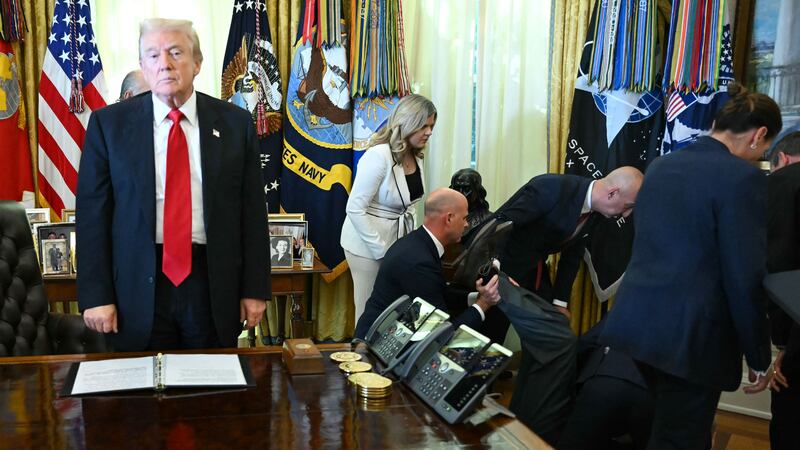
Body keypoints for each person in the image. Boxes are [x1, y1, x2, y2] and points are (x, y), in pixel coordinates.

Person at [600, 84, 782, 448]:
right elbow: (744, 275)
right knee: (680, 437)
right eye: (766, 146)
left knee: (661, 430)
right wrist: (759, 357)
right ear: (759, 134)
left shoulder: (661, 166)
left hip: (638, 328)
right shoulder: (743, 179)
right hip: (692, 339)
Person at [76, 18, 270, 352]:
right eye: (152, 55)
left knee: (210, 393)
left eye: (175, 52)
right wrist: (96, 295)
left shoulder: (236, 124)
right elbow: (93, 216)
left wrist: (254, 289)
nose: (163, 64)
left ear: (197, 63)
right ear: (142, 66)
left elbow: (252, 214)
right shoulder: (109, 126)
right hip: (135, 286)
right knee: (141, 396)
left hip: (211, 282)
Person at [354, 188, 500, 339]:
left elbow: (438, 291)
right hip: (374, 348)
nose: (466, 225)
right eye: (464, 218)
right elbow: (443, 335)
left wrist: (476, 296)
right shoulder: (419, 262)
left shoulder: (418, 243)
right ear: (449, 218)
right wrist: (484, 303)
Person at [341, 94, 437, 325]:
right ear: (407, 122)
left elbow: (408, 206)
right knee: (368, 313)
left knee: (392, 310)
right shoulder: (378, 155)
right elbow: (354, 208)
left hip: (397, 243)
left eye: (432, 126)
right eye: (424, 125)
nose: (429, 132)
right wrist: (381, 251)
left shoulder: (416, 155)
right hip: (366, 246)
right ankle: (359, 359)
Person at [763, 131, 800, 450]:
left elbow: (778, 263)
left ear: (783, 159)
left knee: (790, 426)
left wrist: (785, 343)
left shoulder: (783, 183)